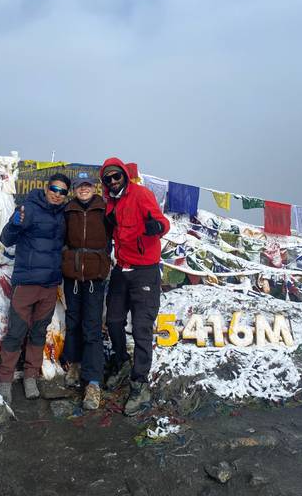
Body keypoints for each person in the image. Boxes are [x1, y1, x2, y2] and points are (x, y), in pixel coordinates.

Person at [100, 157, 170, 416]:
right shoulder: (110, 204)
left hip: (145, 272)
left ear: (124, 177)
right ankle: (121, 361)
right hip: (121, 269)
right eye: (108, 179)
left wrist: (157, 227)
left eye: (116, 176)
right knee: (115, 321)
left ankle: (140, 385)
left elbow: (163, 222)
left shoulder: (141, 194)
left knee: (141, 328)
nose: (113, 181)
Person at [0, 173, 71, 405]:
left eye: (62, 191)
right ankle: (5, 380)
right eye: (54, 189)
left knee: (39, 333)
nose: (57, 194)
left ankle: (30, 376)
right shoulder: (28, 208)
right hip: (26, 283)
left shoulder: (63, 215)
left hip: (49, 286)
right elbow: (6, 239)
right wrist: (14, 223)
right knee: (16, 333)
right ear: (46, 188)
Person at [62, 172, 111, 410]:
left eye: (87, 186)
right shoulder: (68, 209)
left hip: (94, 276)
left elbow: (115, 236)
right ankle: (75, 364)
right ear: (74, 189)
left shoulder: (104, 209)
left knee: (91, 326)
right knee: (73, 321)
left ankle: (93, 382)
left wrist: (104, 263)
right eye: (79, 186)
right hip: (72, 275)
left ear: (94, 187)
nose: (83, 189)